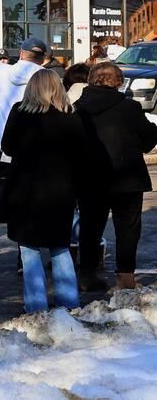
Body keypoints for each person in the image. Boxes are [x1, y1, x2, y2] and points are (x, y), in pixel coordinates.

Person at [2, 70, 87, 313]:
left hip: (25, 191)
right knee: (60, 248)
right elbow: (82, 154)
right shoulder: (71, 116)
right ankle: (69, 304)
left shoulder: (20, 112)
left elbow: (7, 147)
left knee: (29, 250)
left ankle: (36, 307)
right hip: (61, 192)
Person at [74, 62, 157, 291]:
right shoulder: (129, 108)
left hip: (90, 179)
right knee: (128, 229)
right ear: (118, 81)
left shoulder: (78, 108)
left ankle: (87, 274)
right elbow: (149, 140)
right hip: (127, 178)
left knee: (90, 227)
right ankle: (125, 277)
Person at [0, 37, 47, 270]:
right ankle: (23, 259)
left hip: (1, 153)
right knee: (27, 207)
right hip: (32, 156)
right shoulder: (46, 79)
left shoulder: (4, 73)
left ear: (21, 54)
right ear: (43, 58)